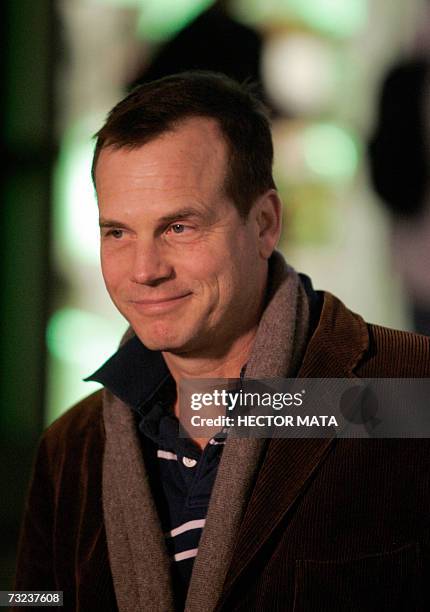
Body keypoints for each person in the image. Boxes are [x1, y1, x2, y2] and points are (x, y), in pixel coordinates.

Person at [14, 71, 430, 611]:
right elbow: (36, 600)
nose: (144, 270)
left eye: (178, 228)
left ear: (264, 224)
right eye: (117, 232)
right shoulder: (70, 447)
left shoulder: (407, 397)